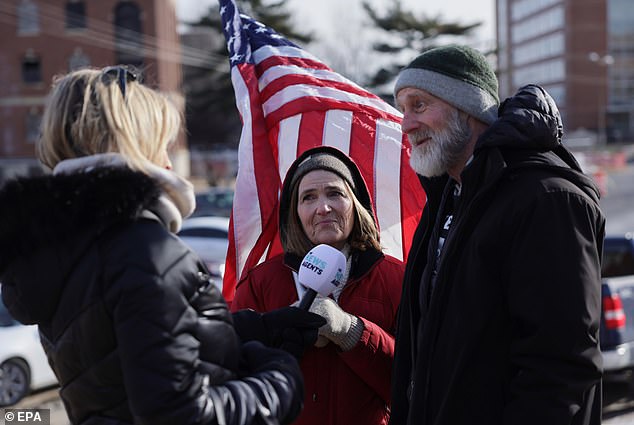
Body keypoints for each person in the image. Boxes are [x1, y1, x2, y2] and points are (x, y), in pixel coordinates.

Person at [0, 66, 325, 425]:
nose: (170, 162)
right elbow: (180, 415)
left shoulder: (67, 250)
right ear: (133, 143)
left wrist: (261, 328)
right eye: (161, 143)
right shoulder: (144, 252)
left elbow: (133, 348)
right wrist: (281, 380)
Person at [390, 45, 605, 425]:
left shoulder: (546, 200)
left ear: (467, 107)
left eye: (419, 105)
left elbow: (559, 370)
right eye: (403, 108)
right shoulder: (447, 198)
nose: (405, 123)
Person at [231, 146, 404, 425]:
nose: (323, 208)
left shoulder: (397, 279)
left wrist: (351, 332)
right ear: (295, 213)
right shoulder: (260, 282)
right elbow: (231, 381)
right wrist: (275, 338)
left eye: (335, 193)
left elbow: (416, 385)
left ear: (355, 204)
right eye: (308, 197)